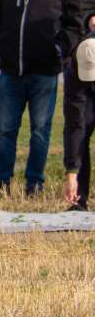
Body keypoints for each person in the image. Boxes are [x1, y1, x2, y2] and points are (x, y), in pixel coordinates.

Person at [0, 0, 83, 196]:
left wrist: (60, 50)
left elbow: (75, 22)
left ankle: (34, 184)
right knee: (5, 130)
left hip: (45, 72)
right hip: (11, 71)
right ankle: (1, 182)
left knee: (40, 131)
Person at [62, 36, 95, 212]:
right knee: (81, 130)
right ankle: (80, 200)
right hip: (83, 92)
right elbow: (75, 125)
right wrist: (71, 173)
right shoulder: (74, 71)